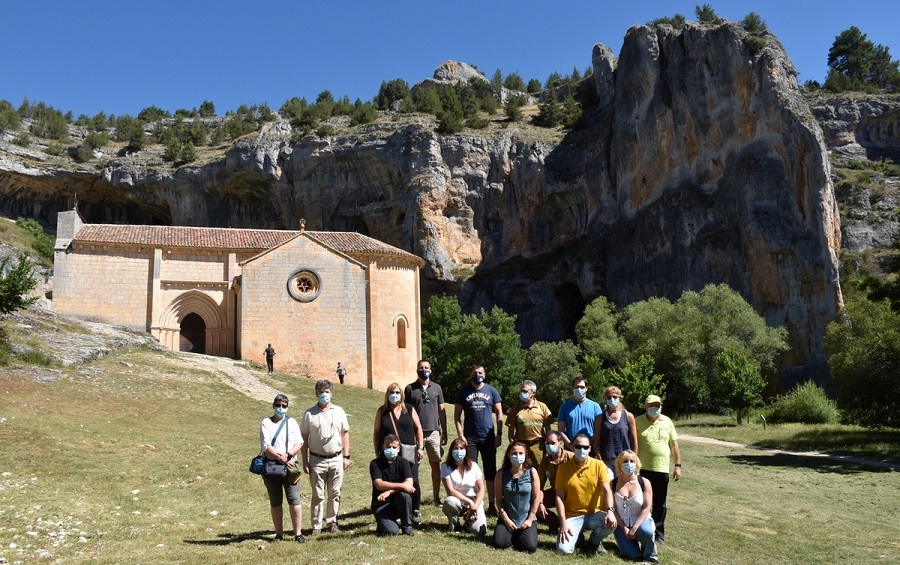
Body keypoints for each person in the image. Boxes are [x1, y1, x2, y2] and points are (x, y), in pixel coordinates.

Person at [300, 379, 351, 535]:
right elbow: (304, 439)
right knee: (318, 494)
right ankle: (316, 526)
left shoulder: (339, 411)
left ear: (332, 393)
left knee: (335, 492)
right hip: (317, 460)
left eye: (327, 392)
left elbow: (345, 434)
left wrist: (346, 456)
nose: (324, 394)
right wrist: (305, 461)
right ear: (316, 393)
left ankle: (332, 522)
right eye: (321, 392)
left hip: (336, 458)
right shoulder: (309, 414)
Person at [555, 433, 617, 555]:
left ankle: (594, 542)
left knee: (612, 523)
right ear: (572, 447)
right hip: (572, 515)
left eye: (585, 447)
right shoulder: (563, 468)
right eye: (578, 446)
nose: (581, 450)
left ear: (590, 448)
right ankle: (579, 538)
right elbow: (559, 497)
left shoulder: (599, 465)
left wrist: (610, 511)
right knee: (564, 550)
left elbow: (606, 490)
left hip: (594, 514)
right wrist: (563, 523)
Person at [454, 364, 503, 514]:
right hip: (470, 438)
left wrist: (499, 434)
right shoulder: (464, 391)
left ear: (485, 374)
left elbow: (500, 413)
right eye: (475, 372)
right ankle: (473, 503)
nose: (477, 374)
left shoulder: (491, 391)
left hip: (488, 437)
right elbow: (457, 416)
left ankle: (492, 504)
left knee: (490, 471)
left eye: (480, 372)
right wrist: (461, 435)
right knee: (471, 471)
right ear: (471, 374)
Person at [373, 382, 425, 524]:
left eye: (397, 392)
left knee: (412, 480)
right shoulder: (382, 411)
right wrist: (377, 451)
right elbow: (377, 433)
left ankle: (415, 510)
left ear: (401, 394)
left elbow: (418, 428)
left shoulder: (408, 409)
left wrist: (420, 447)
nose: (394, 395)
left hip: (408, 452)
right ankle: (393, 509)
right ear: (387, 395)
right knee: (392, 480)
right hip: (389, 452)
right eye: (391, 392)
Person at [635, 394, 682, 545]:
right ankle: (640, 530)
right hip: (643, 469)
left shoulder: (667, 421)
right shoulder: (637, 421)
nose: (654, 408)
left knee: (660, 503)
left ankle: (658, 533)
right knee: (641, 501)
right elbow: (632, 443)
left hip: (662, 469)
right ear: (645, 407)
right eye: (651, 405)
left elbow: (674, 445)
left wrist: (678, 465)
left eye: (657, 405)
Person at [259, 393, 306, 542]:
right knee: (276, 501)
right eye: (278, 405)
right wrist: (282, 458)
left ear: (287, 407)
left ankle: (298, 534)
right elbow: (266, 445)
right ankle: (279, 534)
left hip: (291, 466)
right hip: (272, 466)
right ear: (273, 406)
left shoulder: (291, 422)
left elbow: (299, 442)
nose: (281, 408)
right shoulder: (266, 422)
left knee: (294, 500)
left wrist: (288, 455)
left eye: (284, 406)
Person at [404, 359, 448, 507]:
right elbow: (406, 411)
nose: (424, 370)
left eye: (426, 367)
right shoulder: (410, 388)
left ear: (431, 370)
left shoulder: (437, 388)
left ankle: (436, 498)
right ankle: (412, 498)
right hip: (416, 433)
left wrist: (444, 431)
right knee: (413, 467)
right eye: (421, 367)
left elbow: (442, 411)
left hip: (434, 432)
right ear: (417, 370)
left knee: (436, 465)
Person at [493, 441, 541, 553]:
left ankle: (520, 534)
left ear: (525, 455)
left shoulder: (532, 472)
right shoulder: (501, 473)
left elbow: (536, 498)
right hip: (507, 518)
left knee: (530, 547)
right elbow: (499, 500)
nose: (517, 456)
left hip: (527, 518)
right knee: (500, 543)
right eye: (514, 453)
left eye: (521, 453)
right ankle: (511, 533)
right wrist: (506, 519)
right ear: (509, 454)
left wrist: (529, 520)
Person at [611, 450, 658, 563]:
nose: (629, 464)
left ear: (636, 464)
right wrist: (624, 528)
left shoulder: (644, 482)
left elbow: (647, 508)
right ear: (619, 464)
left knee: (646, 532)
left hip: (641, 521)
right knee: (631, 555)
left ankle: (651, 556)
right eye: (625, 461)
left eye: (632, 461)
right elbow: (613, 510)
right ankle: (634, 548)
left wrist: (635, 528)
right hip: (622, 523)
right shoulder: (612, 483)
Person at [370, 434, 415, 536]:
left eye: (394, 447)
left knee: (405, 496)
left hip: (397, 501)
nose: (391, 449)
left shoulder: (403, 462)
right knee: (391, 532)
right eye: (388, 447)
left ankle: (407, 528)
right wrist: (402, 486)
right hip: (381, 504)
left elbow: (409, 483)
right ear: (383, 447)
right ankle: (383, 523)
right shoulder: (375, 464)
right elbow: (379, 484)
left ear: (399, 449)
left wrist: (389, 491)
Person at [441, 437, 487, 536]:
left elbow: (481, 489)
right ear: (451, 451)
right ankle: (454, 524)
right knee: (450, 502)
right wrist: (469, 502)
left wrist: (475, 505)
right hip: (457, 501)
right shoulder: (445, 467)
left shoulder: (474, 466)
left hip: (474, 502)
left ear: (466, 451)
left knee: (480, 531)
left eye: (461, 449)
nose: (459, 451)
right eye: (456, 449)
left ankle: (468, 524)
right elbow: (451, 491)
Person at [593, 385, 638, 477]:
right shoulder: (600, 418)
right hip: (606, 460)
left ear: (620, 398)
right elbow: (596, 441)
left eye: (614, 397)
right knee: (607, 486)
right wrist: (600, 459)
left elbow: (634, 441)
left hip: (624, 461)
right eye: (609, 397)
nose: (612, 399)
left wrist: (634, 459)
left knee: (622, 488)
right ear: (605, 399)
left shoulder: (628, 416)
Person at [506, 379, 553, 468]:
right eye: (521, 391)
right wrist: (513, 446)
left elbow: (548, 430)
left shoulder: (542, 407)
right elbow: (511, 432)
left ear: (533, 393)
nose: (522, 393)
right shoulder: (515, 409)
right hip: (521, 445)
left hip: (538, 446)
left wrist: (548, 448)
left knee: (539, 470)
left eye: (525, 391)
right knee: (520, 469)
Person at [536, 430, 571, 533]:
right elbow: (539, 487)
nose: (549, 445)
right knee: (532, 503)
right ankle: (555, 522)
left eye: (552, 443)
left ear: (560, 444)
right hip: (555, 492)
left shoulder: (571, 458)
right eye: (547, 443)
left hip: (571, 494)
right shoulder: (545, 462)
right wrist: (540, 503)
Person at [557, 376, 602, 450]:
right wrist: (571, 446)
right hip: (571, 450)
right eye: (576, 387)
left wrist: (590, 445)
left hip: (591, 449)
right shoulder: (564, 407)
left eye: (582, 387)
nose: (579, 389)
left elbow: (599, 430)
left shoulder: (595, 406)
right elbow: (561, 431)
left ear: (586, 388)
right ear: (572, 388)